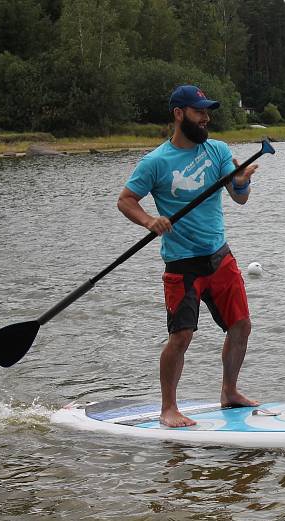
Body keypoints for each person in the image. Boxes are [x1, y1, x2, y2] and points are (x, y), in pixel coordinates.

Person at [117, 85, 258, 427]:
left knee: (241, 326)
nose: (206, 117)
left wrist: (239, 182)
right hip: (182, 263)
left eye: (207, 111)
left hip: (219, 256)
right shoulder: (155, 162)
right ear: (179, 114)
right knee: (181, 337)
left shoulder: (218, 151)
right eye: (199, 111)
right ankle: (168, 409)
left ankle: (229, 391)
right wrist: (150, 220)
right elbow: (125, 200)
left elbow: (240, 198)